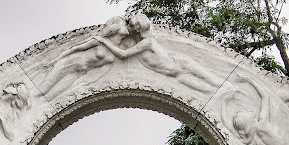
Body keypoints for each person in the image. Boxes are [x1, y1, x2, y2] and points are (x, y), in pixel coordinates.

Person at [94, 13, 222, 93]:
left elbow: (123, 55)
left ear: (139, 30)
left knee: (217, 84)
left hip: (181, 64)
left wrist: (104, 41)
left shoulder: (148, 42)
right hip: (178, 76)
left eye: (133, 27)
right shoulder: (135, 43)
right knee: (209, 92)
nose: (129, 29)